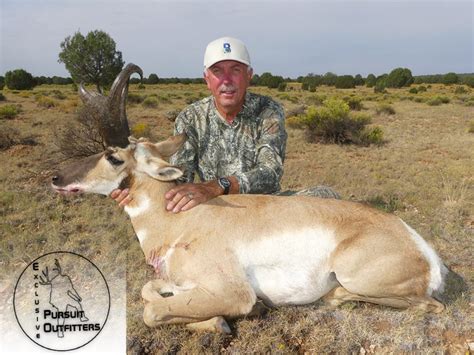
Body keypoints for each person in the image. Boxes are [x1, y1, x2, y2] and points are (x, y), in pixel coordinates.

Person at [111, 36, 339, 212]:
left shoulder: (269, 111)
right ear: (207, 80)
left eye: (236, 70)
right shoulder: (190, 118)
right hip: (216, 209)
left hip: (265, 207)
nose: (227, 80)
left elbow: (270, 173)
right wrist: (137, 188)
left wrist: (217, 185)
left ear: (249, 75)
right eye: (217, 71)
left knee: (325, 196)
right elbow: (180, 179)